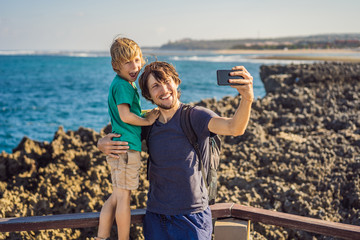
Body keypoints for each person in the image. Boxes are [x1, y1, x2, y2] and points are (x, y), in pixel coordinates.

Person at [97, 61, 254, 239]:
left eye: (167, 81)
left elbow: (234, 128)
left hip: (192, 218)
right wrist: (101, 143)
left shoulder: (195, 116)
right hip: (156, 218)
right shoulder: (147, 121)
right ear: (148, 94)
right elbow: (118, 138)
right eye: (155, 86)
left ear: (176, 82)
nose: (163, 90)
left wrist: (247, 98)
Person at [95, 37, 159, 240]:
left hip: (121, 147)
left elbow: (130, 113)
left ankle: (102, 237)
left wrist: (146, 114)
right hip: (126, 149)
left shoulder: (123, 83)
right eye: (128, 62)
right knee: (124, 199)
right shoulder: (123, 85)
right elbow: (125, 116)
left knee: (115, 197)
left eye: (137, 60)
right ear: (116, 66)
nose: (135, 66)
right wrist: (148, 121)